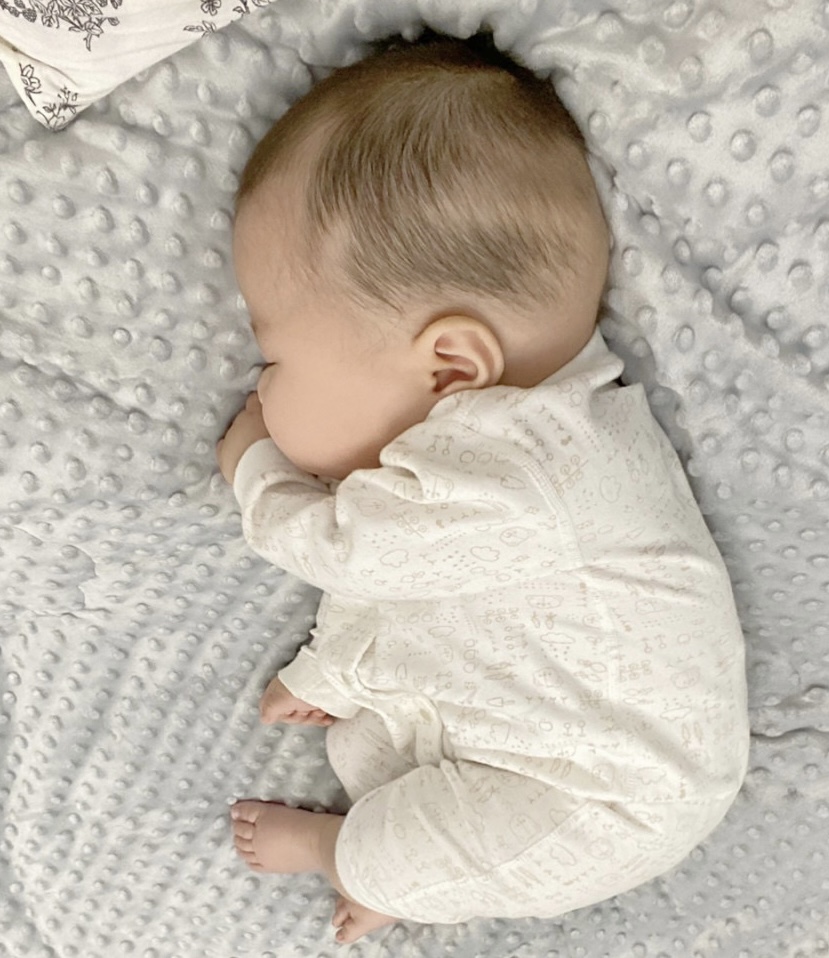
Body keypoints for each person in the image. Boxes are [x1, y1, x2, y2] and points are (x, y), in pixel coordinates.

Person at [215, 31, 749, 946]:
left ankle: (344, 857)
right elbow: (408, 591)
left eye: (276, 359)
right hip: (529, 723)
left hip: (611, 798)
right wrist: (326, 674)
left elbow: (356, 553)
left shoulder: (537, 467)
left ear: (450, 365)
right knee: (376, 751)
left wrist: (255, 470)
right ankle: (402, 868)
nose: (260, 390)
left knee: (405, 837)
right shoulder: (505, 447)